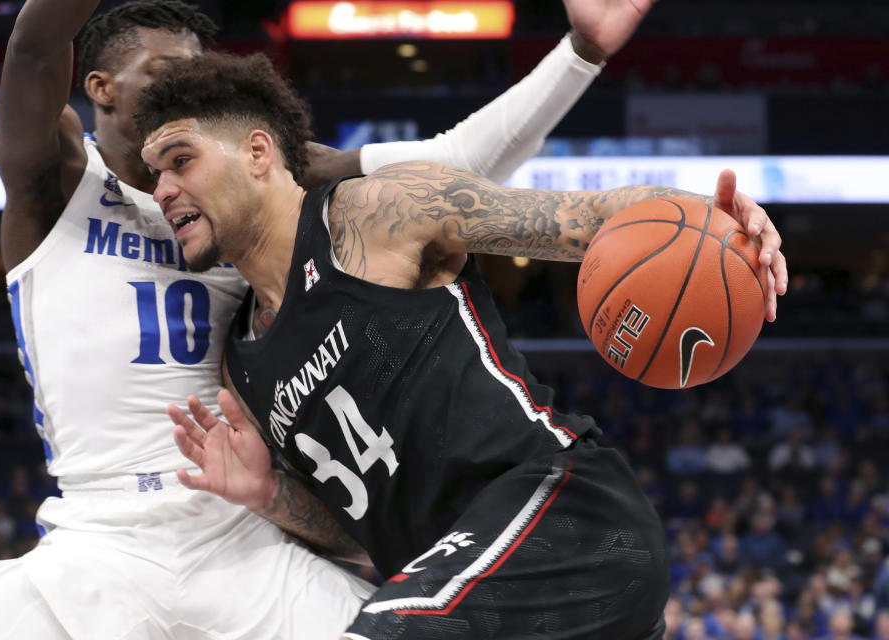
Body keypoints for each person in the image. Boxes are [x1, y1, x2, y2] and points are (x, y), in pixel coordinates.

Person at [0, 0, 649, 637]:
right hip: (102, 529)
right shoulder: (54, 180)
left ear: (255, 151)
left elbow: (450, 168)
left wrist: (580, 54)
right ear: (99, 86)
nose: (187, 76)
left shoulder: (238, 183)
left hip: (241, 537)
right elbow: (29, 48)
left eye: (198, 68)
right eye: (165, 67)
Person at [142, 49, 789, 639]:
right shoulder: (244, 368)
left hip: (570, 523)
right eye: (153, 175)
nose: (162, 189)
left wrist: (712, 214)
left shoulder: (372, 215)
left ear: (258, 153)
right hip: (475, 588)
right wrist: (267, 495)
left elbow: (583, 219)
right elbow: (363, 536)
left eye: (180, 160)